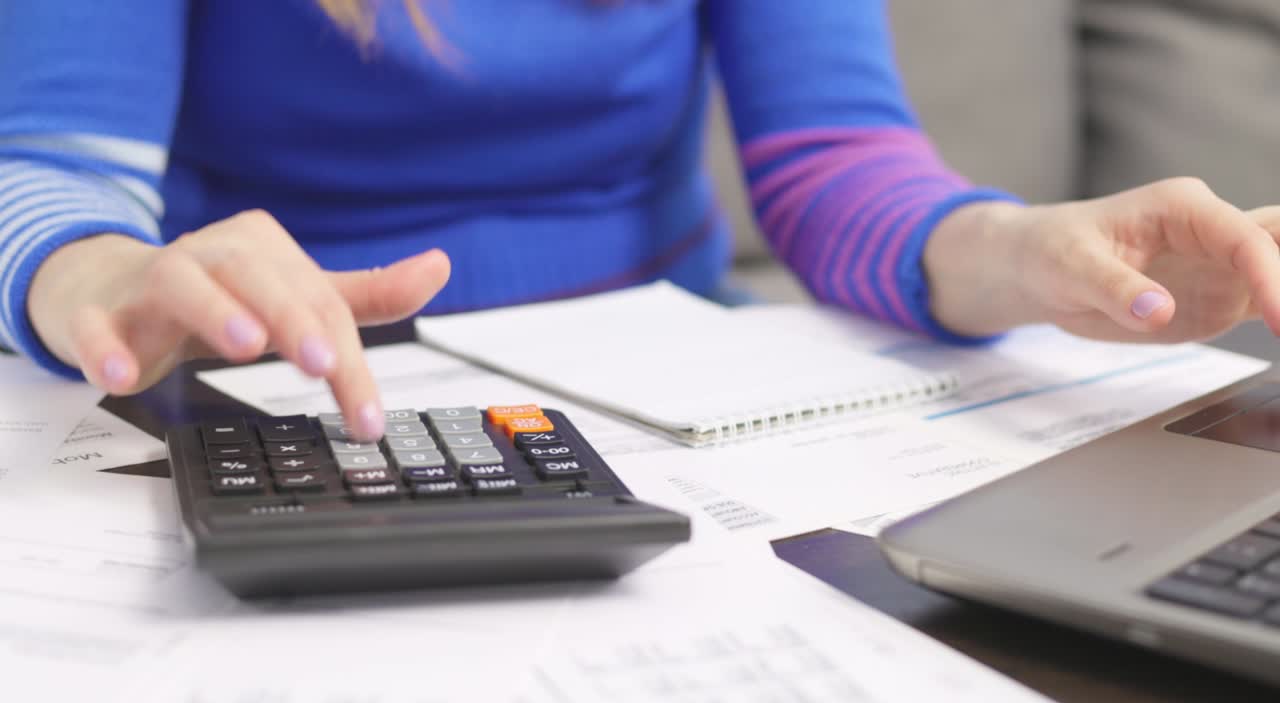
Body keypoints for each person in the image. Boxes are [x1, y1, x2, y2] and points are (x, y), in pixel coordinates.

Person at [3, 1, 1279, 443]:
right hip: (282, 410)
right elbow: (51, 168)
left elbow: (836, 164)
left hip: (662, 419)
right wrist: (94, 275)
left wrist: (1019, 252)